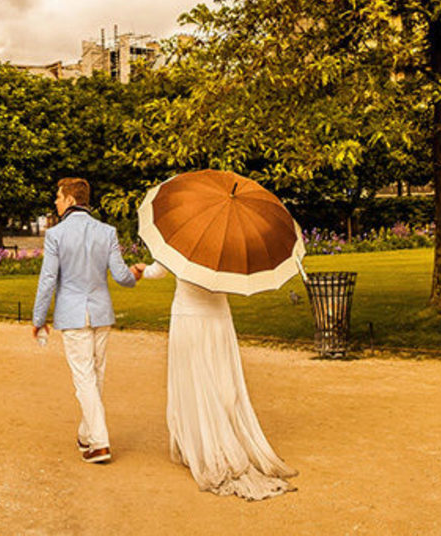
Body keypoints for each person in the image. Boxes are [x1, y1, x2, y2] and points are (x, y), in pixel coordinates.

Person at [133, 260, 296, 500]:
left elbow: (158, 270)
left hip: (189, 316)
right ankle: (220, 437)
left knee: (193, 381)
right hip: (219, 317)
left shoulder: (185, 239)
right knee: (221, 380)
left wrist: (140, 270)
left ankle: (200, 445)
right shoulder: (228, 247)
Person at [31, 177, 139, 464]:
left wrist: (39, 318)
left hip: (73, 314)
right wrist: (134, 275)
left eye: (58, 197)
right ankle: (86, 434)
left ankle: (100, 443)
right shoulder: (107, 232)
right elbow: (121, 277)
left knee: (84, 379)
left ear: (69, 200)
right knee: (95, 376)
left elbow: (48, 280)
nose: (55, 201)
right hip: (101, 313)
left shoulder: (56, 235)